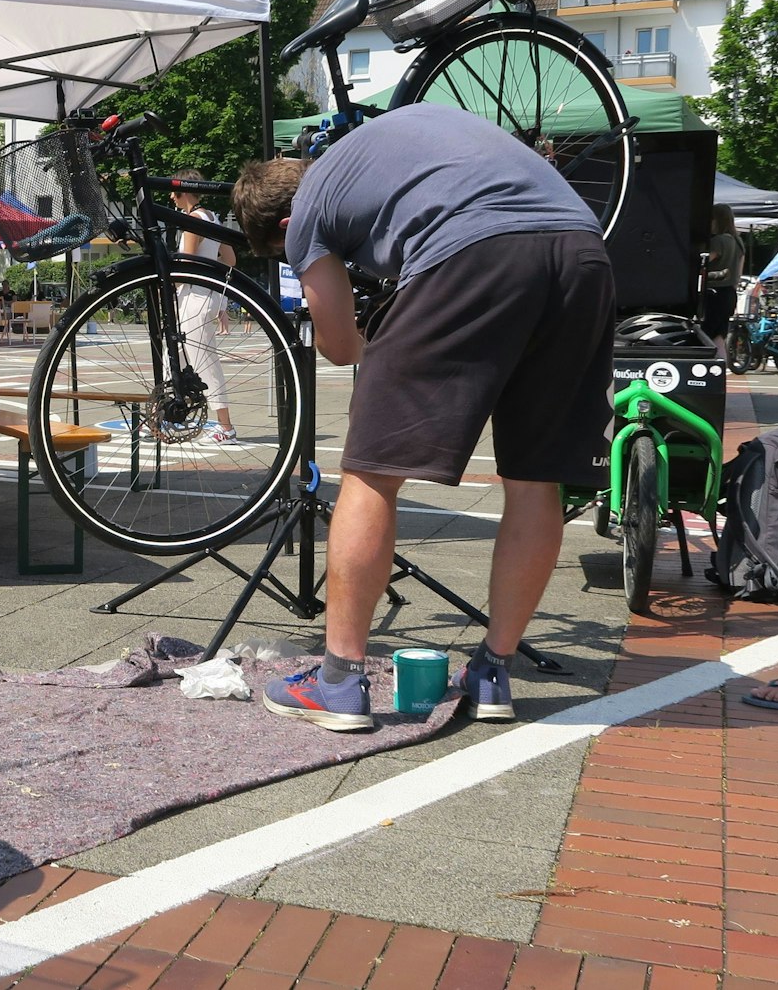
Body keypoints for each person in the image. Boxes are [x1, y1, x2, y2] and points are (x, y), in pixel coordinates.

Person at [229, 103, 614, 732]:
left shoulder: (309, 214)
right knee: (534, 478)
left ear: (283, 223)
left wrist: (358, 321)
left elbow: (340, 345)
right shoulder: (385, 147)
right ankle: (493, 672)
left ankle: (340, 682)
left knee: (371, 472)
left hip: (473, 253)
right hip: (583, 253)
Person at [169, 169, 239, 445]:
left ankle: (226, 427)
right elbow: (230, 259)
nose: (171, 198)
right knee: (175, 357)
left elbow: (185, 262)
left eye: (173, 192)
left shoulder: (191, 221)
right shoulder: (213, 218)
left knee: (202, 362)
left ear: (183, 191)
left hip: (192, 296)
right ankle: (167, 415)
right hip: (206, 294)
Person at [702, 203, 744, 344]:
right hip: (729, 294)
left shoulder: (718, 241)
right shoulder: (738, 242)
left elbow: (702, 263)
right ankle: (722, 365)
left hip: (713, 295)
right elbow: (738, 274)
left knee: (704, 336)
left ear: (717, 220)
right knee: (719, 337)